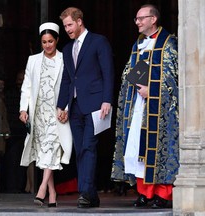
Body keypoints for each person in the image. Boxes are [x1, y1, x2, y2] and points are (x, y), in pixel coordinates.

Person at [111, 4, 179, 209]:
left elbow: (174, 79)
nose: (138, 22)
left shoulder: (169, 44)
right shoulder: (138, 44)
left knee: (158, 149)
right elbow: (128, 74)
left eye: (141, 18)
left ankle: (162, 194)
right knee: (137, 149)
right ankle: (144, 192)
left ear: (153, 19)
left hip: (159, 107)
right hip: (138, 105)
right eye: (136, 19)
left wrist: (153, 92)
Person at [57, 7, 115, 208]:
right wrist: (60, 105)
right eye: (65, 26)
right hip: (74, 108)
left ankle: (84, 192)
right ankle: (91, 194)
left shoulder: (99, 41)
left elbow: (108, 72)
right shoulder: (66, 49)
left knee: (89, 147)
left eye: (70, 25)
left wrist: (107, 99)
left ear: (80, 21)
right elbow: (67, 80)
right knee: (80, 149)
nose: (67, 29)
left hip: (95, 105)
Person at [19, 22, 73, 207]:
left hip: (57, 113)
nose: (47, 45)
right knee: (44, 153)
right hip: (38, 113)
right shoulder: (33, 60)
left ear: (57, 40)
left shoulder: (65, 59)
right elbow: (26, 86)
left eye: (50, 41)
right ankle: (52, 192)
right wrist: (23, 109)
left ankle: (42, 188)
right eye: (44, 42)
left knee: (51, 148)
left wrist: (65, 108)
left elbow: (69, 86)